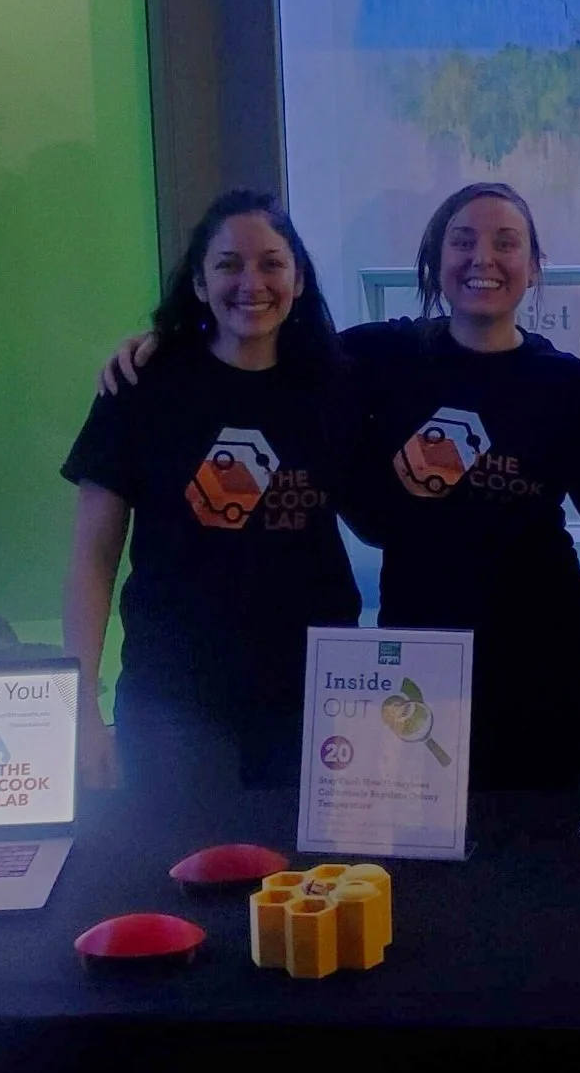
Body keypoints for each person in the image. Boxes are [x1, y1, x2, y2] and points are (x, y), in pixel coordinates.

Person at [98, 183, 580, 791]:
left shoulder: (563, 384)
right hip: (418, 661)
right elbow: (259, 341)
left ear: (533, 268)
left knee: (537, 837)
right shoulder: (382, 357)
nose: (483, 258)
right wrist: (167, 341)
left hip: (542, 662)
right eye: (461, 241)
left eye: (506, 243)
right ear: (434, 261)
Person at [63, 190, 361, 796]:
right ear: (199, 284)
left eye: (272, 263)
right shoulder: (141, 386)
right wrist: (80, 705)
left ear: (299, 280)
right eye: (228, 264)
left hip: (311, 697)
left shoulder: (334, 385)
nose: (252, 282)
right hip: (174, 700)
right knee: (181, 855)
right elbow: (92, 560)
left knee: (298, 860)